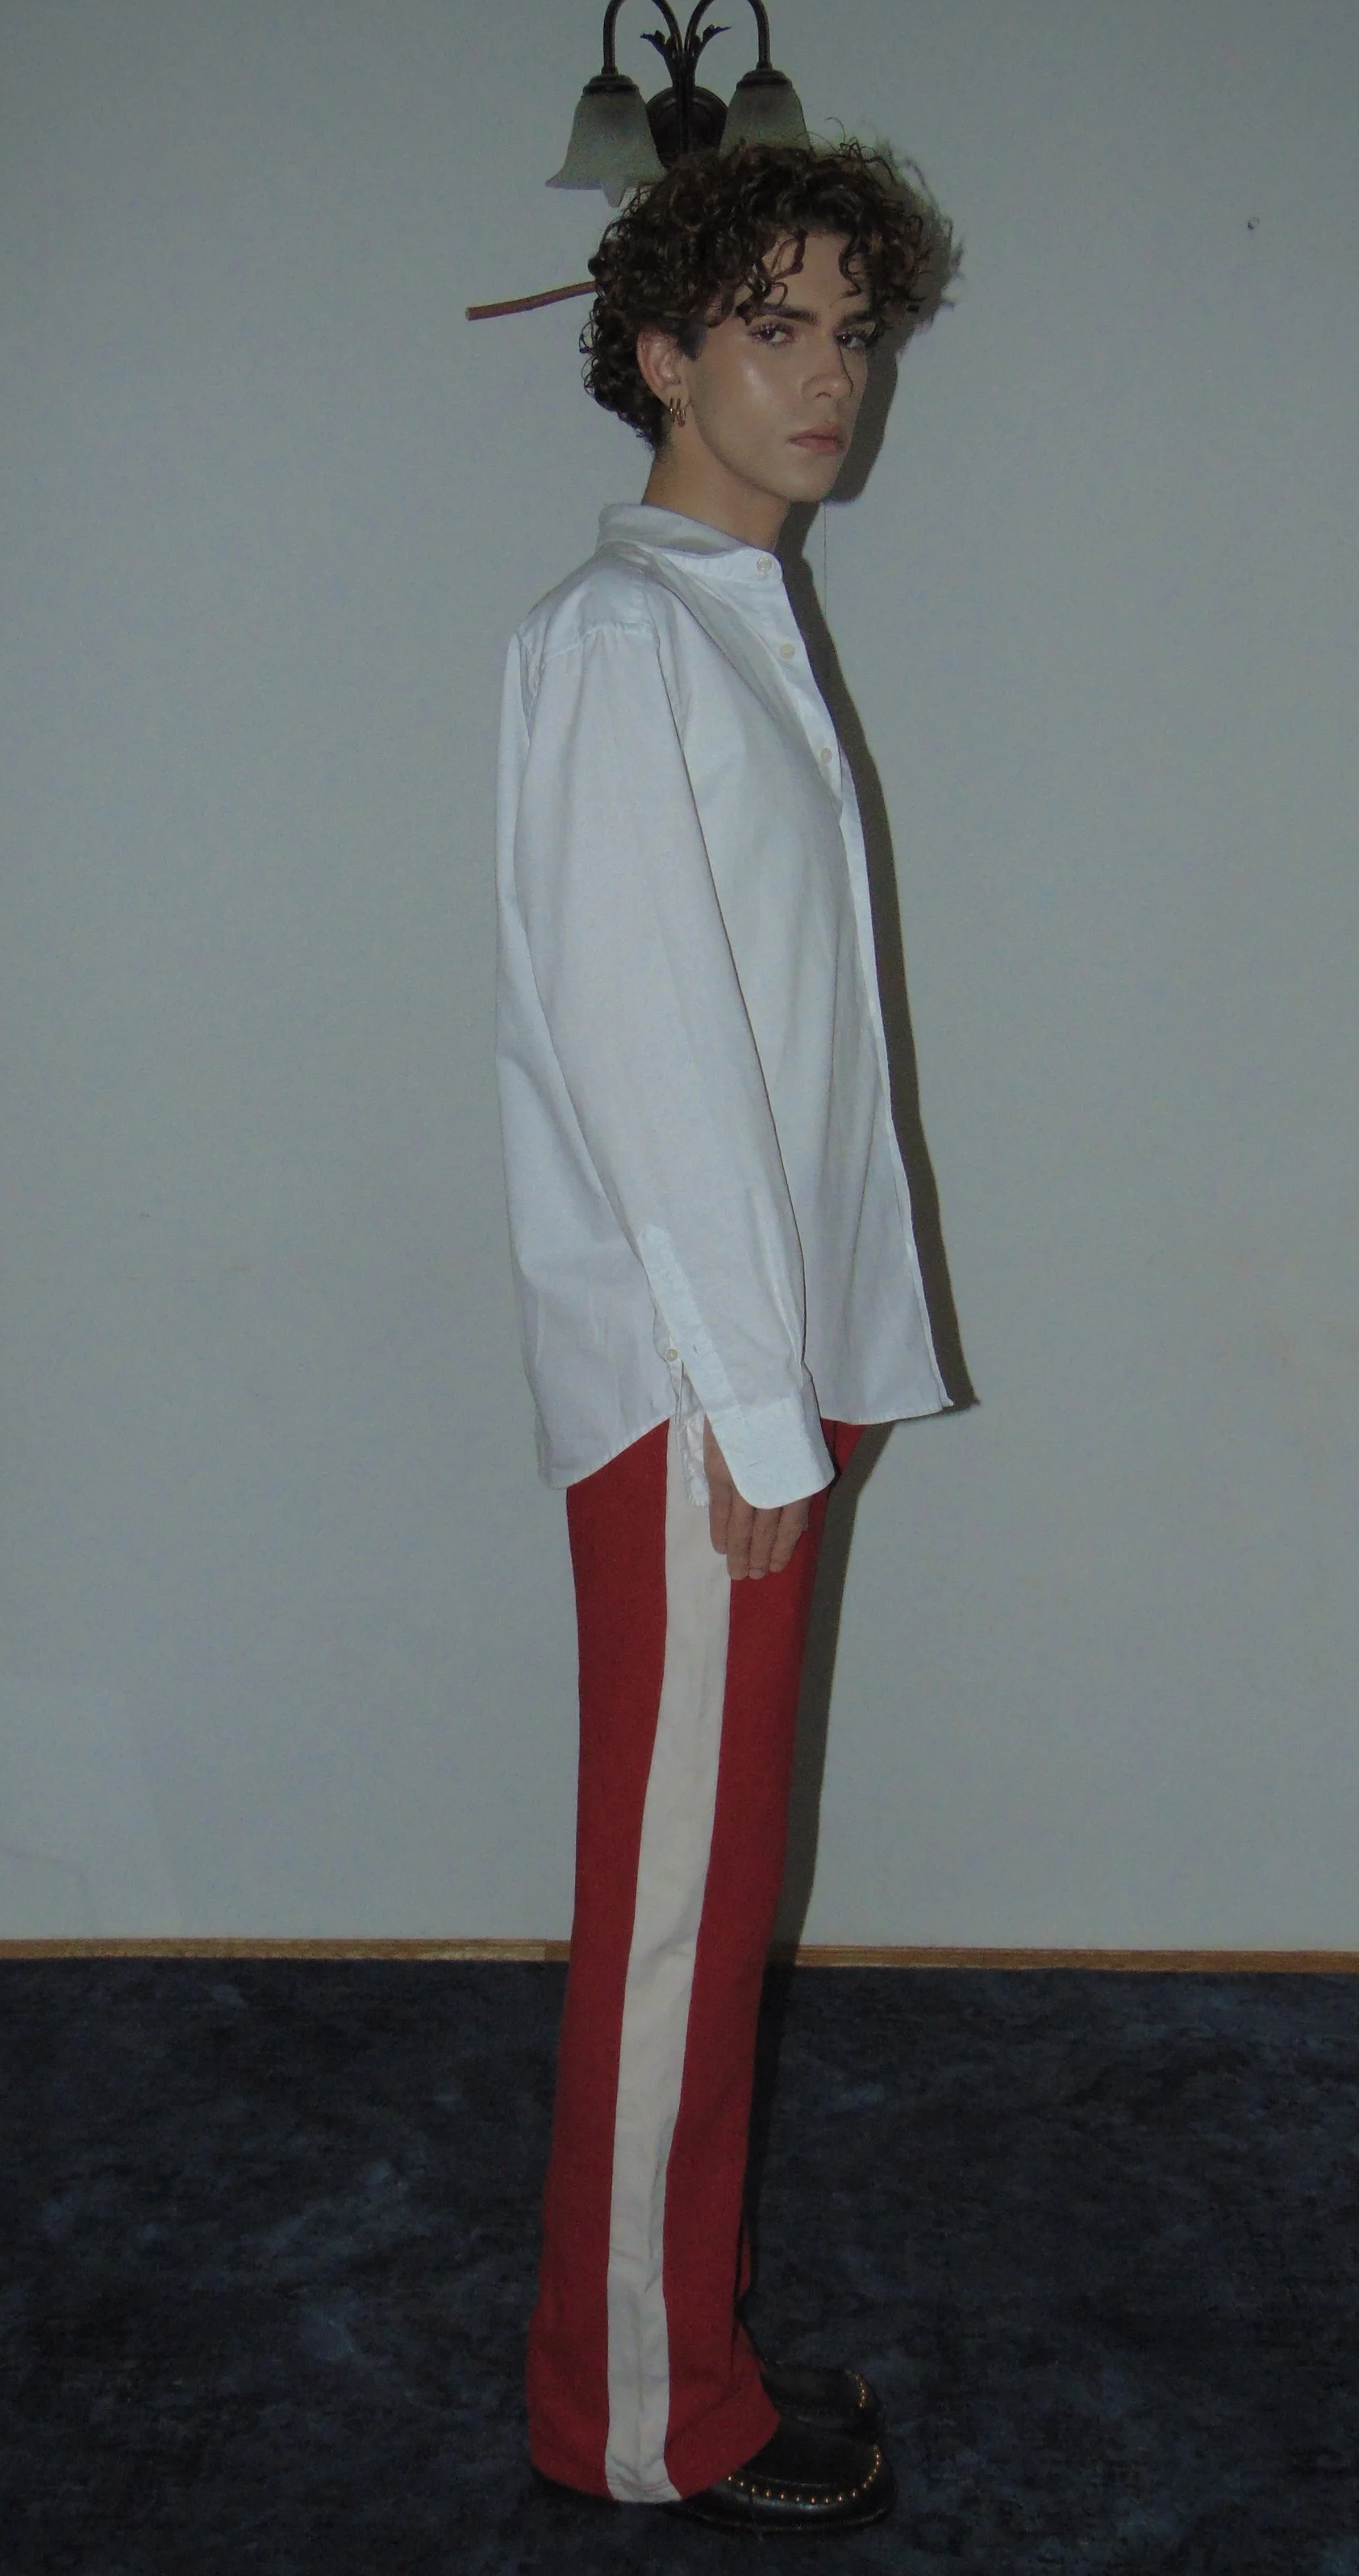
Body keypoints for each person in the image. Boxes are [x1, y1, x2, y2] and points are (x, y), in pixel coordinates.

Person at [495, 140, 952, 2535]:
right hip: (697, 1390)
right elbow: (650, 1057)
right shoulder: (622, 640)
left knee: (701, 1882)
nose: (830, 379)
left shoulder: (731, 615)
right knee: (675, 1912)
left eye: (856, 330)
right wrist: (756, 1414)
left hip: (760, 1369)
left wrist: (820, 1373)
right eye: (776, 326)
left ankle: (658, 2368)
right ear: (660, 351)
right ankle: (644, 2422)